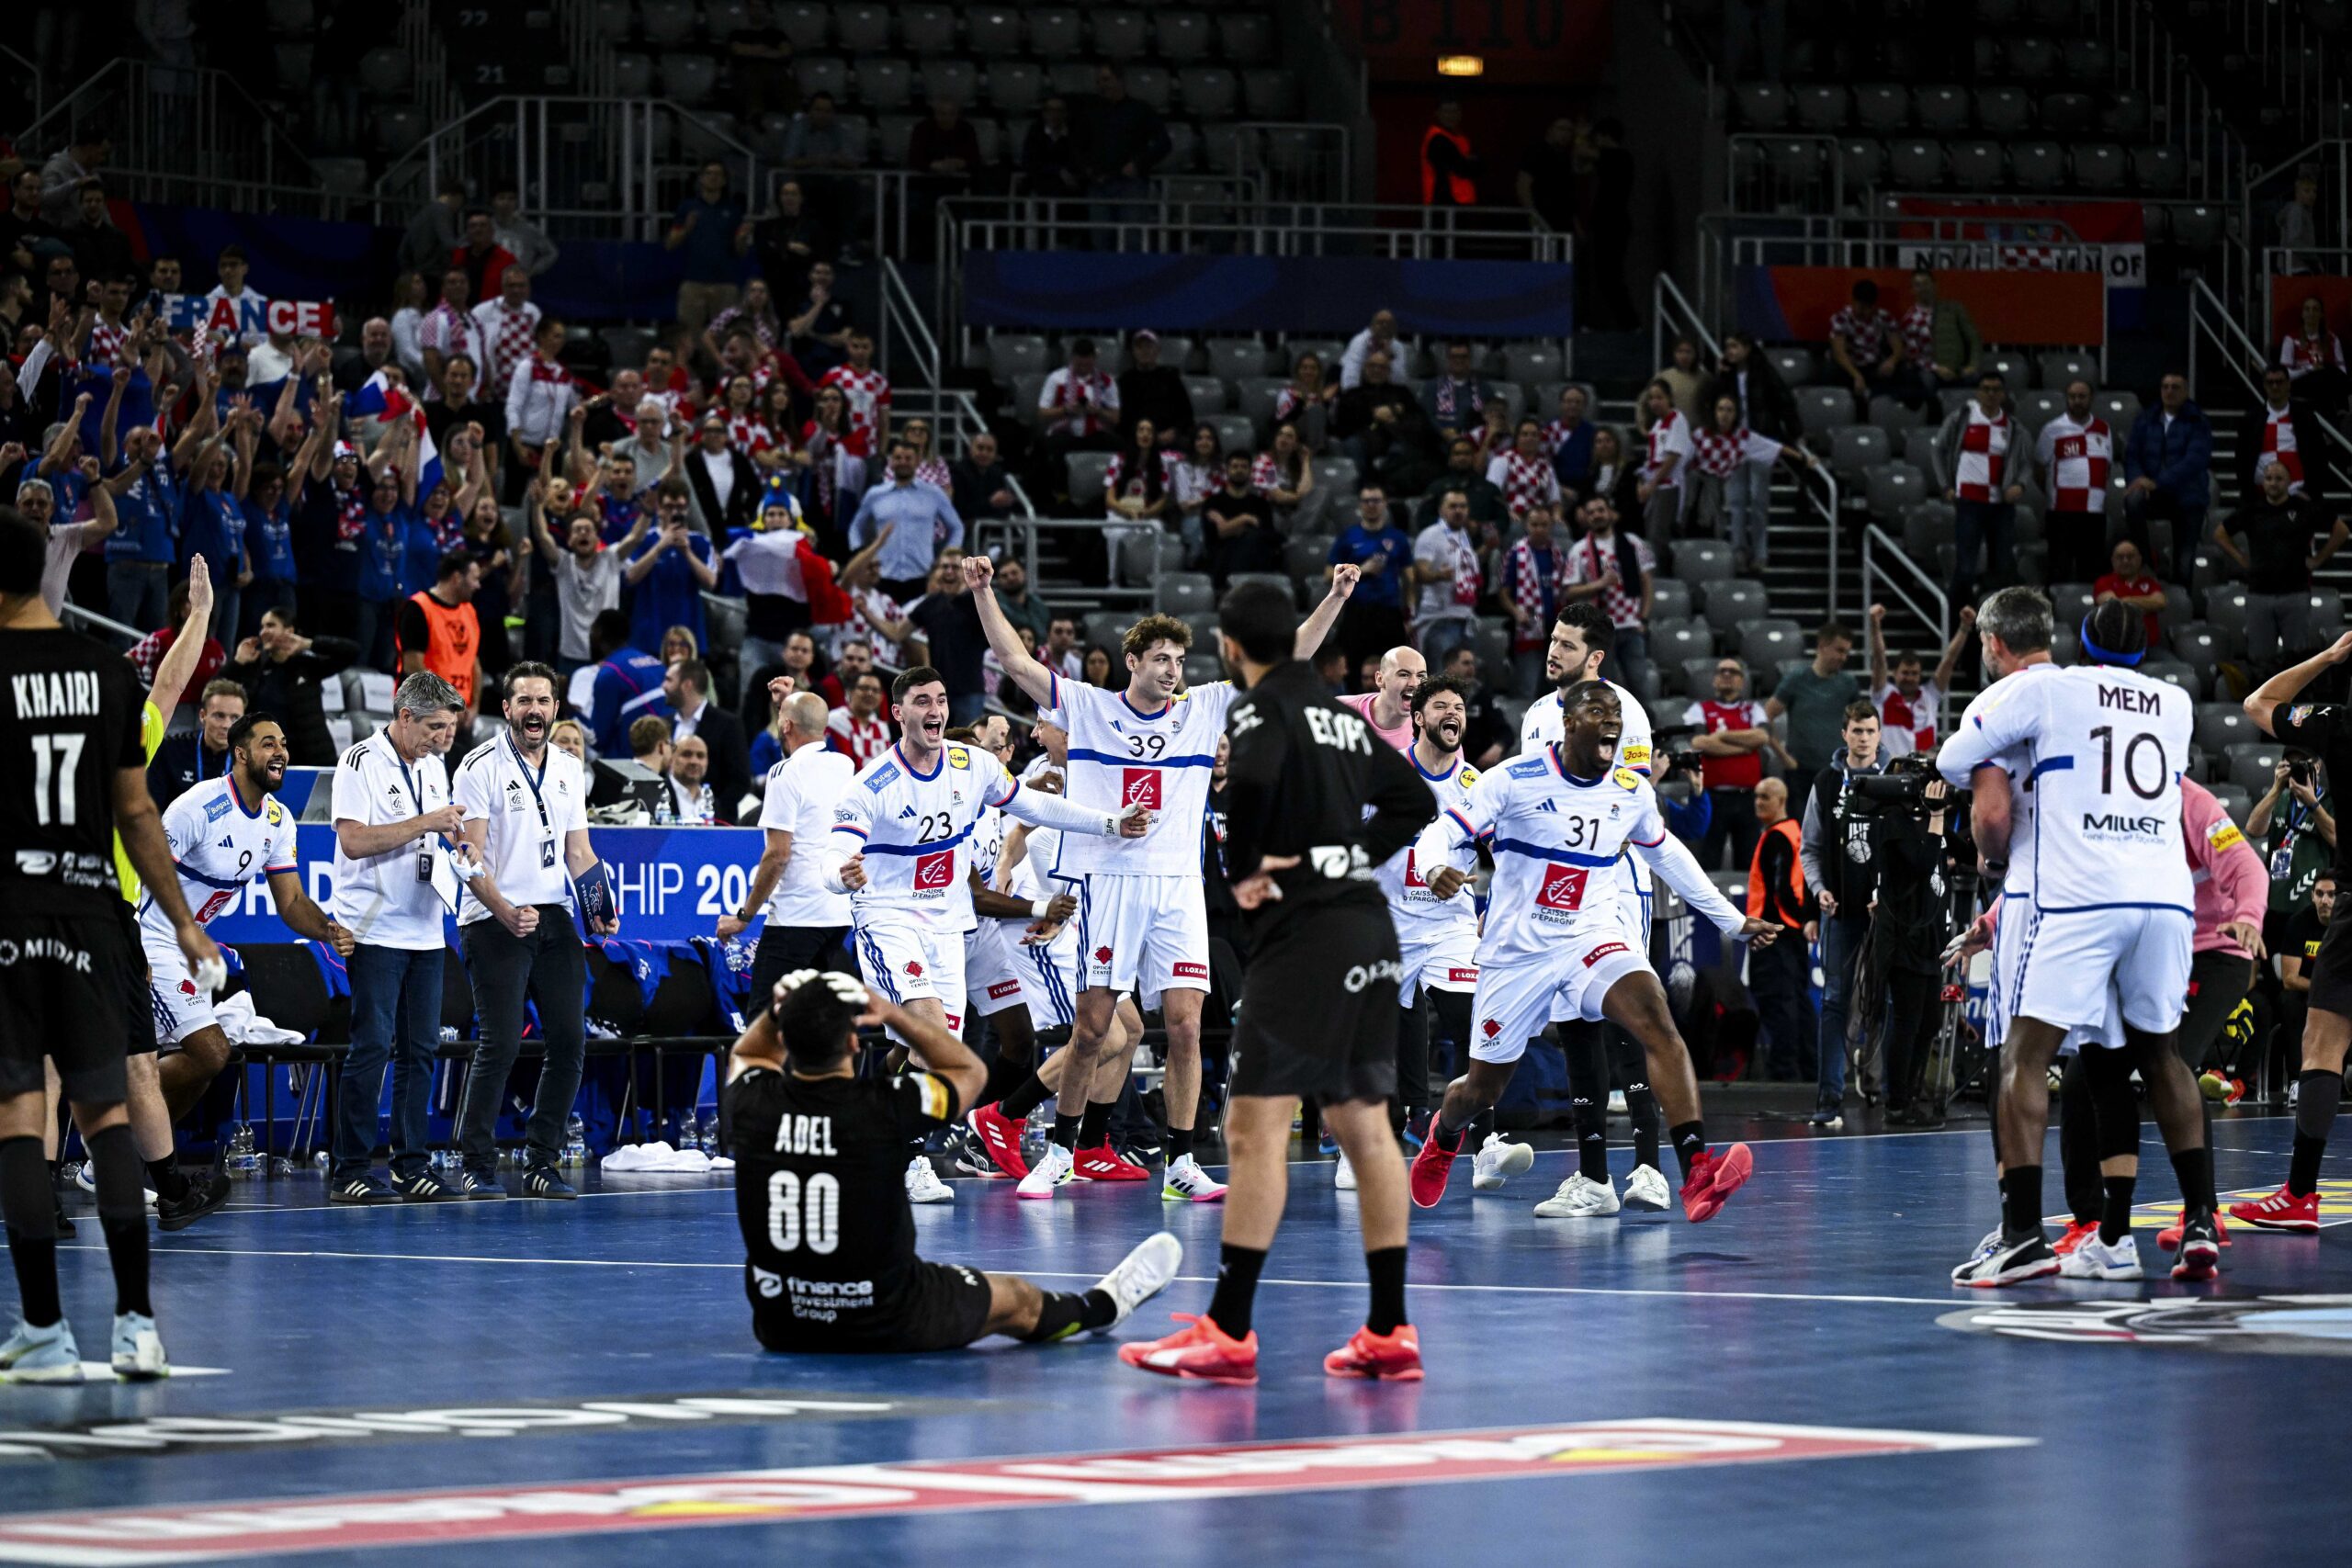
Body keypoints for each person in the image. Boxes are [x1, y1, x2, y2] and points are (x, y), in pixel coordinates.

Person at [960, 558, 1359, 1201]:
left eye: (1178, 660)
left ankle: (1180, 1163)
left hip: (1177, 888)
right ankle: (1060, 1152)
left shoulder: (1203, 708)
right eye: (1161, 659)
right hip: (1110, 883)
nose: (1173, 670)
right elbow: (1014, 660)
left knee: (1186, 1027)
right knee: (1094, 1029)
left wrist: (1335, 596)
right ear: (1133, 662)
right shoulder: (1088, 706)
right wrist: (983, 592)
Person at [1119, 579, 1435, 1385]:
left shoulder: (1259, 712)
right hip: (1370, 930)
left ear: (1229, 647)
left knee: (1254, 1129)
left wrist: (1252, 871)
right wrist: (1344, 856)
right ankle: (1390, 1327)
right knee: (1365, 1126)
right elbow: (1413, 799)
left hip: (1305, 940)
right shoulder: (1340, 714)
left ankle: (1228, 1329)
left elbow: (1252, 788)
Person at [1407, 681, 1774, 1222]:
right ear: (1569, 724)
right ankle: (1445, 1134)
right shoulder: (1513, 779)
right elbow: (1440, 833)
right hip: (1517, 953)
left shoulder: (1630, 790)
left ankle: (1696, 1170)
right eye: (1597, 711)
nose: (1611, 721)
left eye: (1616, 714)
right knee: (1483, 1088)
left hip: (1590, 936)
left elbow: (1668, 855)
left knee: (1655, 1017)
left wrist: (1733, 921)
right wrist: (1434, 866)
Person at [0, 507, 221, 1382]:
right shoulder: (103, 673)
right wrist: (186, 919)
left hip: (14, 914)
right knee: (108, 1116)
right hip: (99, 918)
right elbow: (137, 811)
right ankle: (138, 1329)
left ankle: (45, 1332)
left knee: (21, 1116)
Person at [1938, 599, 2220, 1285]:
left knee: (2024, 1056)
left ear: (2082, 643)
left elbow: (1955, 757)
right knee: (2160, 1058)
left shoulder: (2048, 689)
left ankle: (2021, 1235)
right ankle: (2199, 1220)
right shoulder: (2176, 703)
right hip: (2163, 896)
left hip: (2082, 893)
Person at [819, 666, 1155, 1201]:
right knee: (931, 1036)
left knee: (939, 1049)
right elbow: (835, 853)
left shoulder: (971, 764)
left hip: (948, 924)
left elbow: (1035, 806)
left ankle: (866, 1133)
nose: (935, 710)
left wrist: (1109, 823)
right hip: (889, 918)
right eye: (921, 701)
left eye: (941, 699)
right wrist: (842, 875)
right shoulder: (873, 783)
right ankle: (908, 1163)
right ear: (898, 713)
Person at [725, 967, 1181, 1354]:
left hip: (783, 1322)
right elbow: (970, 1072)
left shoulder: (753, 1103)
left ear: (784, 1041)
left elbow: (747, 1052)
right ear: (853, 1043)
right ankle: (1102, 1307)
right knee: (1017, 1300)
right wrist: (891, 1013)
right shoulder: (885, 1105)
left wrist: (779, 1009)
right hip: (888, 1314)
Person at [451, 663, 621, 1200]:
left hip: (552, 914)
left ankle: (541, 1162)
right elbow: (469, 855)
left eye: (543, 701)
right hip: (492, 918)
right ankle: (476, 1164)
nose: (534, 710)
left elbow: (579, 852)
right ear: (506, 708)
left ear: (555, 709)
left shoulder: (569, 766)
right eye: (524, 700)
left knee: (570, 1041)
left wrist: (598, 906)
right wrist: (504, 910)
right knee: (500, 1043)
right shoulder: (479, 767)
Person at [326, 672, 470, 1202]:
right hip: (375, 926)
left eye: (448, 727)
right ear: (405, 717)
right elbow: (354, 841)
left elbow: (434, 836)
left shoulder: (434, 766)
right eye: (434, 727)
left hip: (426, 927)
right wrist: (424, 822)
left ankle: (412, 1166)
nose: (442, 738)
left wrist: (459, 851)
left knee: (421, 1050)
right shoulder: (359, 761)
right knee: (371, 1047)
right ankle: (351, 1169)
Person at [1340, 672, 1485, 1192]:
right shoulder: (1383, 773)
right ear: (1418, 718)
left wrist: (1496, 907)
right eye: (1441, 706)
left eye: (1459, 707)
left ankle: (1486, 1143)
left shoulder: (1478, 785)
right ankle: (1361, 1145)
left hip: (1451, 924)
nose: (1453, 714)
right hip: (1389, 922)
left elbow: (1506, 850)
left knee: (1470, 1021)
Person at [2232, 626, 2352, 1235]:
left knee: (2323, 1044)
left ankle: (2301, 1194)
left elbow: (2258, 703)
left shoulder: (2338, 722)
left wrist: (2328, 656)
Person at [721, 688, 856, 993]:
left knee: (765, 1014)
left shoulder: (783, 773)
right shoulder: (845, 765)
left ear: (785, 726)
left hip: (796, 915)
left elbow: (778, 856)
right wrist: (784, 705)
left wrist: (744, 916)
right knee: (811, 1013)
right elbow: (803, 766)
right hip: (837, 915)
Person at [1800, 701, 1884, 1129]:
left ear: (1880, 735)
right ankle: (1829, 1097)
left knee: (1884, 999)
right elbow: (1810, 847)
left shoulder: (1894, 780)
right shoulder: (1827, 781)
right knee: (1834, 1000)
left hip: (1885, 913)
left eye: (1870, 731)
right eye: (1857, 731)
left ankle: (1885, 1090)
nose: (1863, 738)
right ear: (1844, 734)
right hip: (1841, 912)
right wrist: (1819, 891)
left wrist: (1889, 893)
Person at [2212, 457, 2346, 677]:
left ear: (2289, 482)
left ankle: (2295, 699)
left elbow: (2341, 531)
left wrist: (2318, 559)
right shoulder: (2252, 509)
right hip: (2259, 594)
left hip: (2295, 593)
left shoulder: (2304, 508)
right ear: (2263, 482)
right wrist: (2241, 558)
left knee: (2297, 660)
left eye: (2278, 478)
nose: (2273, 483)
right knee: (2259, 660)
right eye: (2269, 478)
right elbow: (2220, 533)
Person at [1934, 370, 2025, 608]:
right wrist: (1945, 485)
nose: (1991, 394)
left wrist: (2020, 485)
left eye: (1996, 390)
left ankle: (1990, 617)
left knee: (2002, 566)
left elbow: (2025, 462)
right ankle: (1953, 618)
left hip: (2000, 505)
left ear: (2003, 394)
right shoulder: (1962, 418)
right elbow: (1938, 449)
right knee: (1965, 567)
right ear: (1978, 392)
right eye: (1986, 389)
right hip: (1969, 502)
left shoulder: (2012, 425)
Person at [1746, 776, 1815, 1082]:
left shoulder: (1777, 837)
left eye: (1765, 797)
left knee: (1779, 1004)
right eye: (1756, 796)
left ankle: (1784, 1075)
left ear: (1782, 800)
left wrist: (1785, 924)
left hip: (1774, 935)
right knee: (1797, 1002)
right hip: (1791, 935)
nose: (1758, 802)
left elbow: (1782, 888)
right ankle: (1808, 1071)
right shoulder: (1795, 832)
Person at [225, 607, 359, 767]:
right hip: (269, 761)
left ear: (289, 631)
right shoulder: (256, 667)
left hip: (313, 758)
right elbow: (215, 691)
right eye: (262, 627)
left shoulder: (307, 665)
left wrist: (308, 644)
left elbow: (352, 651)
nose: (263, 632)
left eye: (270, 625)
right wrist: (237, 662)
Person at [1686, 657, 1778, 873]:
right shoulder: (1700, 709)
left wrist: (1722, 735)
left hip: (1748, 797)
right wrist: (1744, 749)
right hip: (1712, 796)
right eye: (1722, 671)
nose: (1727, 674)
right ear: (1714, 680)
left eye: (1733, 672)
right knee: (1709, 860)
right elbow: (1699, 742)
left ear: (1742, 681)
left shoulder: (1753, 709)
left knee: (1749, 862)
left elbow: (1762, 736)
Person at [2121, 371, 2213, 579]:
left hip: (2188, 495)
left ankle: (2183, 593)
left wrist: (2156, 483)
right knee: (2133, 499)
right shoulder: (2146, 419)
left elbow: (2194, 461)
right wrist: (2139, 481)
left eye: (2175, 387)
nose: (2169, 391)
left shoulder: (2198, 421)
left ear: (2186, 391)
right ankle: (2145, 562)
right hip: (2154, 495)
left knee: (2184, 562)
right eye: (2165, 387)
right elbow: (2132, 455)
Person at [1562, 493, 1655, 691]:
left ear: (1611, 513)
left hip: (1631, 626)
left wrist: (1644, 618)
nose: (1597, 515)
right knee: (1604, 690)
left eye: (1601, 510)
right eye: (1591, 512)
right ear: (1586, 518)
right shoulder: (1579, 550)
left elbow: (1647, 582)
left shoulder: (1632, 543)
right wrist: (1599, 584)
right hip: (1600, 631)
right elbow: (1569, 592)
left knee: (1640, 687)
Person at [2034, 379, 2115, 586]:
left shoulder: (2103, 429)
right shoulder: (2052, 429)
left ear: (2091, 398)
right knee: (2059, 570)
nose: (2077, 401)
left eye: (2082, 396)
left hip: (2094, 513)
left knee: (2092, 573)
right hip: (2061, 513)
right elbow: (2039, 469)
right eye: (2072, 396)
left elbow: (2106, 468)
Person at [1866, 601, 1970, 759]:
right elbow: (1879, 659)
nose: (1909, 678)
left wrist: (1964, 627)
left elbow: (1949, 660)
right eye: (1905, 673)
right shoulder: (1883, 695)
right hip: (1890, 767)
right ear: (1894, 673)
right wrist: (1875, 625)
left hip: (1923, 767)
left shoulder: (1929, 696)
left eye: (1914, 673)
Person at [394, 550, 482, 723]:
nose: (478, 585)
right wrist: (445, 704)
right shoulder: (418, 608)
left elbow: (474, 663)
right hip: (422, 714)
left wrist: (474, 706)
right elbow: (413, 666)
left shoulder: (469, 612)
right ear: (457, 578)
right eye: (474, 579)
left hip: (460, 715)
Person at [1765, 621, 1859, 782]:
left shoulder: (1849, 684)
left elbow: (1859, 723)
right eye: (1840, 651)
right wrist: (1783, 756)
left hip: (1837, 771)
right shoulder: (1796, 679)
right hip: (1801, 772)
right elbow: (1766, 715)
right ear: (1822, 646)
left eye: (1846, 653)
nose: (1843, 658)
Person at [665, 162, 752, 333]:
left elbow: (741, 252)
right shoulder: (688, 207)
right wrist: (687, 228)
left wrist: (741, 239)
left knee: (726, 333)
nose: (713, 177)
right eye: (709, 173)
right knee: (688, 333)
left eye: (718, 174)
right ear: (701, 178)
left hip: (725, 282)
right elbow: (670, 244)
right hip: (694, 280)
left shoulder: (733, 210)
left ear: (724, 181)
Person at [663, 656, 752, 819]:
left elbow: (740, 780)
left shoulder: (727, 724)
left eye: (669, 680)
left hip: (713, 823)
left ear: (687, 684)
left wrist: (714, 812)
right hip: (668, 821)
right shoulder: (665, 724)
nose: (664, 686)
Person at [147, 677, 243, 808]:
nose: (226, 725)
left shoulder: (249, 758)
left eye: (235, 718)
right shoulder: (171, 750)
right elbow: (152, 805)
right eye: (219, 716)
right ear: (203, 716)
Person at [1411, 486, 1481, 663]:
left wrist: (1488, 547)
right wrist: (1439, 575)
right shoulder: (1430, 536)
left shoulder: (1464, 536)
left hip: (1465, 617)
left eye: (1463, 506)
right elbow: (1419, 573)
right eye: (1453, 506)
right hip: (1440, 618)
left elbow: (1466, 567)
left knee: (1466, 676)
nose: (1458, 511)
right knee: (1441, 676)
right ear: (1441, 510)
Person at [2243, 361, 2330, 502]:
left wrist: (2311, 491)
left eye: (2279, 382)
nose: (2275, 386)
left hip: (2300, 497)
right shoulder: (2252, 419)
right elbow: (2242, 458)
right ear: (2264, 385)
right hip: (2260, 498)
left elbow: (2319, 455)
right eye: (2270, 382)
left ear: (2289, 384)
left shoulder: (2305, 417)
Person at [1900, 267, 1982, 400]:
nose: (1923, 288)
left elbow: (1974, 339)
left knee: (1980, 380)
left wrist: (1972, 365)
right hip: (1931, 371)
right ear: (1912, 290)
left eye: (1926, 283)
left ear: (1934, 285)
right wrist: (1936, 368)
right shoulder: (1910, 319)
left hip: (1959, 369)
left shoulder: (1954, 309)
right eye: (1918, 285)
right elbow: (1914, 355)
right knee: (1926, 381)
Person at [1830, 278, 1905, 416]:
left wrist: (1892, 361)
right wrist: (1856, 375)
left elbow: (1898, 346)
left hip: (1873, 366)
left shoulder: (1884, 317)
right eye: (1861, 307)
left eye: (1868, 307)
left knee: (1902, 376)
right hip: (1850, 367)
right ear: (1854, 301)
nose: (1865, 312)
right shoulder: (1841, 318)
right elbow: (1839, 352)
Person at [1338, 644, 1427, 752]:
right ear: (1380, 679)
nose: (1415, 683)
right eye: (1404, 674)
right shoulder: (1339, 710)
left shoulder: (1432, 728)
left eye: (1421, 676)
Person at [2091, 538, 2166, 652]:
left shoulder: (2150, 583)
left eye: (2130, 556)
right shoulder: (2103, 582)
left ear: (2139, 559)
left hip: (2150, 648)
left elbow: (2160, 603)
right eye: (2120, 557)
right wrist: (2147, 604)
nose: (2125, 561)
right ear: (2113, 560)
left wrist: (2126, 600)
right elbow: (2113, 605)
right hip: (2115, 650)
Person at [1420, 99, 1478, 207]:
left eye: (1455, 111)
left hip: (1462, 201)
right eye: (1446, 111)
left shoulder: (1461, 137)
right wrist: (1469, 161)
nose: (1451, 116)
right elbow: (1461, 169)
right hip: (1443, 203)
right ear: (1437, 113)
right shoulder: (1437, 139)